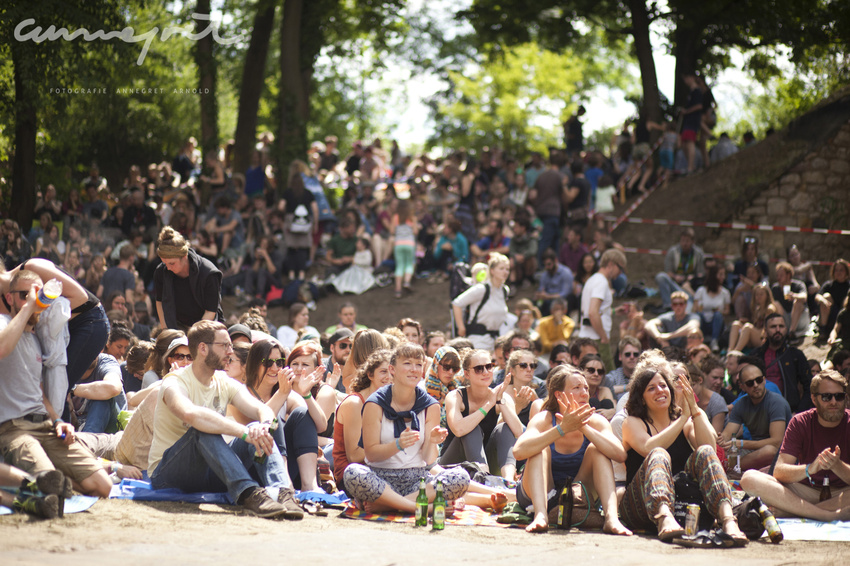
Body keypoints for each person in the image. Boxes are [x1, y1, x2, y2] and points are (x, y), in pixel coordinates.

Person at [147, 321, 300, 519]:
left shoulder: (224, 381)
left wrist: (263, 426)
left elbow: (261, 409)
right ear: (203, 348)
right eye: (225, 345)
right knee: (201, 429)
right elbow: (191, 414)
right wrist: (243, 432)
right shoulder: (174, 382)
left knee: (257, 426)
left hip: (210, 473)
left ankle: (283, 493)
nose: (230, 351)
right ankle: (250, 494)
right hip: (168, 475)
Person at [0, 269, 112, 498]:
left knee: (104, 486)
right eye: (25, 294)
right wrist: (29, 307)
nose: (34, 299)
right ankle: (45, 478)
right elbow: (3, 348)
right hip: (15, 430)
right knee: (49, 479)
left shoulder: (36, 338)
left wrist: (59, 420)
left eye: (40, 294)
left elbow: (39, 393)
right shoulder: (3, 323)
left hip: (46, 427)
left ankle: (49, 479)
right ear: (9, 298)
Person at [619, 351, 747, 544]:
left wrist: (694, 411)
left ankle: (728, 520)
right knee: (659, 453)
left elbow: (709, 448)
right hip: (640, 506)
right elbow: (648, 448)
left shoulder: (685, 420)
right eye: (651, 388)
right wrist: (682, 419)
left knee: (703, 452)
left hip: (683, 501)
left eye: (663, 386)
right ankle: (664, 517)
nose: (660, 391)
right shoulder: (632, 422)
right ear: (641, 397)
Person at [343, 343, 470, 512]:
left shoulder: (430, 406)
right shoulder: (375, 403)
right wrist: (398, 445)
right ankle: (420, 508)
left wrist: (432, 442)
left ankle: (387, 505)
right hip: (381, 479)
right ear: (392, 369)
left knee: (461, 477)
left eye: (418, 364)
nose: (414, 369)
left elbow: (428, 459)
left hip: (417, 481)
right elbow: (371, 455)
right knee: (352, 473)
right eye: (407, 363)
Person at [513, 364, 632, 534]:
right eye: (577, 388)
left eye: (585, 387)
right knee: (539, 448)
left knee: (598, 450)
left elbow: (619, 455)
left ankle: (611, 518)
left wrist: (583, 427)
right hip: (540, 492)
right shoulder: (544, 419)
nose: (585, 392)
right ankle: (541, 515)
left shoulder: (596, 421)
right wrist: (561, 429)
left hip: (577, 491)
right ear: (559, 395)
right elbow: (518, 451)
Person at [0, 257, 109, 420]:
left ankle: (61, 438)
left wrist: (34, 309)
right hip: (53, 332)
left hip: (89, 324)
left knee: (57, 389)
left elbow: (80, 298)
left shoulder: (33, 268)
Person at [740, 370, 850, 521]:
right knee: (749, 478)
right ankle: (826, 515)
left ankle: (795, 511)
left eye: (839, 396)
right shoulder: (800, 422)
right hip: (805, 491)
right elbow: (779, 470)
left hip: (842, 492)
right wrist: (810, 468)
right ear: (813, 398)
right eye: (826, 397)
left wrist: (838, 466)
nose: (833, 402)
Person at [234, 339, 327, 495]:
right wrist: (282, 394)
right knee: (273, 420)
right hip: (251, 466)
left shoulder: (287, 394)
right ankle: (285, 485)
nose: (274, 368)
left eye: (279, 362)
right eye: (267, 362)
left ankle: (309, 485)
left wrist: (306, 395)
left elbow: (319, 426)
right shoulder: (239, 393)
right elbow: (254, 428)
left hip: (284, 465)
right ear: (254, 363)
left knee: (301, 414)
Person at [440, 349, 523, 479]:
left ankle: (509, 481)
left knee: (504, 428)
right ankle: (484, 478)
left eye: (489, 367)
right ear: (467, 374)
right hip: (453, 464)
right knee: (471, 428)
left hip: (487, 463)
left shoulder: (500, 396)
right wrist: (489, 404)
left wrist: (500, 400)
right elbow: (459, 429)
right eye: (479, 369)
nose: (485, 372)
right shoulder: (456, 396)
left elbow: (518, 432)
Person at [333, 349, 393, 495]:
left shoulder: (390, 402)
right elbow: (354, 456)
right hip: (355, 474)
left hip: (383, 469)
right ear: (370, 374)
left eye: (393, 372)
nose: (389, 377)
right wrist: (394, 444)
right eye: (383, 372)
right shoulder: (355, 403)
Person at [718, 358, 792, 472]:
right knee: (724, 451)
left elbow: (777, 442)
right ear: (742, 386)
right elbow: (727, 434)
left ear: (764, 380)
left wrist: (741, 443)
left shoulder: (776, 402)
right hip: (754, 452)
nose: (756, 385)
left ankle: (730, 468)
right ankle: (731, 467)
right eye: (750, 383)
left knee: (769, 451)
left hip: (782, 454)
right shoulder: (741, 404)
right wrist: (721, 441)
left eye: (758, 380)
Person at [153, 226, 223, 332]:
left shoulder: (208, 273)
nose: (168, 268)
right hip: (176, 324)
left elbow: (210, 311)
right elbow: (160, 302)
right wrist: (166, 330)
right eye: (164, 263)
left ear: (184, 256)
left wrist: (192, 335)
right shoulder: (161, 271)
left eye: (172, 263)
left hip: (206, 324)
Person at [578, 248, 627, 371]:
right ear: (610, 264)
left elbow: (596, 311)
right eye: (620, 268)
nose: (620, 272)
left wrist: (614, 311)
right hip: (596, 339)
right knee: (609, 377)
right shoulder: (602, 282)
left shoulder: (593, 279)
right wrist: (604, 337)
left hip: (587, 336)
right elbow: (593, 312)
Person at [754, 312, 813, 412]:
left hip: (789, 411)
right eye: (773, 327)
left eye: (781, 326)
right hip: (760, 411)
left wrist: (799, 412)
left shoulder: (795, 355)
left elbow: (810, 387)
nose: (778, 330)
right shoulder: (756, 355)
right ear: (766, 330)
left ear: (786, 329)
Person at [451, 253, 510, 351]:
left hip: (495, 340)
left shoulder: (504, 290)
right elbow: (456, 303)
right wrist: (461, 328)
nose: (505, 272)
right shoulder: (482, 288)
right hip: (478, 339)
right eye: (501, 268)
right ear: (492, 271)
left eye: (507, 269)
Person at [70, 353, 126, 434]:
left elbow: (113, 388)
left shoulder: (106, 362)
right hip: (74, 424)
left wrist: (72, 390)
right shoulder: (64, 364)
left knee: (103, 396)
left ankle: (87, 441)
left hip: (111, 425)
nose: (92, 352)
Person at [654, 228, 705, 311]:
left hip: (690, 288)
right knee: (661, 277)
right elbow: (668, 271)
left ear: (692, 242)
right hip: (675, 284)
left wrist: (692, 278)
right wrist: (675, 277)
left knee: (688, 310)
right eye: (683, 241)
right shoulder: (673, 252)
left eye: (687, 241)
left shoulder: (698, 253)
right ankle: (667, 306)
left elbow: (701, 274)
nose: (685, 243)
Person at [693, 264, 731, 353]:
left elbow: (727, 311)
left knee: (718, 315)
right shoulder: (701, 291)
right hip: (704, 321)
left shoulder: (725, 293)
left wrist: (720, 311)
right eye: (720, 274)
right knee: (698, 316)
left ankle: (714, 341)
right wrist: (700, 308)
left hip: (716, 323)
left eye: (724, 274)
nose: (723, 277)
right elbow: (694, 309)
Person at [728, 282, 776, 352]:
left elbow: (766, 328)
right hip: (756, 334)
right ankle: (730, 350)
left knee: (747, 327)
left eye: (761, 294)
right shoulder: (757, 308)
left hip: (764, 338)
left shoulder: (770, 308)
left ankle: (735, 352)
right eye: (757, 294)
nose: (759, 297)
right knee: (736, 324)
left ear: (767, 295)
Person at [770, 261, 810, 341]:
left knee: (798, 302)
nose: (778, 277)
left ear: (788, 275)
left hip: (800, 320)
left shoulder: (798, 285)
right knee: (775, 304)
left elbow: (804, 297)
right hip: (785, 320)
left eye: (781, 275)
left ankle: (792, 333)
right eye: (777, 275)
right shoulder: (775, 288)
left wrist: (794, 296)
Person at [816, 258, 849, 337]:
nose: (838, 272)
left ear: (846, 272)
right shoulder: (828, 285)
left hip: (845, 314)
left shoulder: (848, 286)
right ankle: (823, 329)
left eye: (841, 270)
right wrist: (823, 300)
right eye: (836, 270)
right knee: (826, 296)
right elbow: (817, 296)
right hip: (831, 312)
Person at [535, 250, 573, 317]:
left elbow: (565, 294)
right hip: (546, 301)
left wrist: (548, 296)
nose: (547, 267)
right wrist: (539, 294)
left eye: (549, 264)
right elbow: (541, 289)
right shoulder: (545, 274)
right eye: (545, 265)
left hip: (561, 301)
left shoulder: (566, 273)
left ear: (555, 260)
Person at [604, 336, 641, 403]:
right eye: (627, 354)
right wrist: (627, 387)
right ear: (620, 356)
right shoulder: (613, 376)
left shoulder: (645, 375)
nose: (632, 357)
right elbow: (603, 388)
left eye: (635, 354)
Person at [579, 354, 615, 420]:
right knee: (593, 401)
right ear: (581, 371)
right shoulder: (576, 391)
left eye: (600, 372)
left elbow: (615, 409)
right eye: (591, 370)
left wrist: (612, 412)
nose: (596, 374)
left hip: (605, 425)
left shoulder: (605, 390)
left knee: (607, 403)